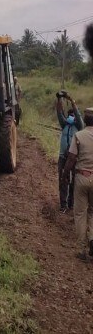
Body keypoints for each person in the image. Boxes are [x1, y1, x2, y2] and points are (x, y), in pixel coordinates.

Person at [62, 107, 93, 261]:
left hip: (81, 177)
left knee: (80, 214)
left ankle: (81, 249)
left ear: (85, 120)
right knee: (92, 213)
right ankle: (92, 240)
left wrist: (65, 174)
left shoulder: (78, 135)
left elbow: (71, 158)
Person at [56, 91, 84, 212]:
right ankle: (63, 205)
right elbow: (59, 113)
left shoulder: (79, 125)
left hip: (74, 157)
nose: (71, 116)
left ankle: (71, 203)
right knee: (63, 180)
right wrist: (59, 99)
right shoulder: (65, 124)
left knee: (74, 182)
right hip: (63, 157)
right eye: (69, 114)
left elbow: (78, 115)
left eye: (73, 114)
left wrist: (71, 100)